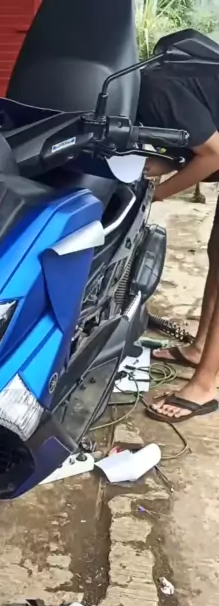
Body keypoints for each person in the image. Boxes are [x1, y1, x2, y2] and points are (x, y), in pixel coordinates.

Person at [136, 69, 219, 422]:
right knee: (216, 253)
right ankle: (200, 348)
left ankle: (205, 384)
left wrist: (157, 195)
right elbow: (192, 143)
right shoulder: (143, 93)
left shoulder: (154, 90)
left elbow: (213, 154)